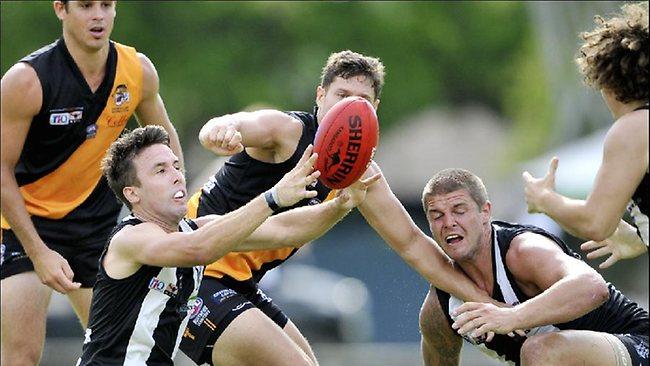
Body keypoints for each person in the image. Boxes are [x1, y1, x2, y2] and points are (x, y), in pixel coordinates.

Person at [180, 50, 494, 366]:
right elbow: (236, 123)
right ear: (320, 97)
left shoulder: (361, 175)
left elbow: (413, 245)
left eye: (362, 101)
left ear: (375, 109)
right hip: (189, 271)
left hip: (235, 283)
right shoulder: (286, 132)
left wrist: (490, 304)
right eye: (341, 96)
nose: (349, 108)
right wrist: (219, 130)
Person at [76, 125, 377, 365]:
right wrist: (272, 198)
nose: (177, 177)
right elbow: (197, 250)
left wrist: (340, 205)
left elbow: (285, 229)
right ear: (132, 194)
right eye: (160, 170)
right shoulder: (131, 237)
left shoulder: (194, 229)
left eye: (176, 166)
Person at [0, 1, 185, 364]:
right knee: (21, 355)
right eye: (85, 5)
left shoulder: (137, 70)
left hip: (97, 229)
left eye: (106, 4)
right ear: (61, 9)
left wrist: (171, 209)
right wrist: (38, 252)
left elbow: (165, 143)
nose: (98, 15)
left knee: (123, 355)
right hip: (25, 226)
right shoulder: (26, 80)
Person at [418, 168, 648, 366]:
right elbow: (406, 241)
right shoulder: (440, 310)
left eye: (459, 211)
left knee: (538, 351)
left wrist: (511, 317)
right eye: (437, 216)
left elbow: (593, 286)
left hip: (639, 345)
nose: (448, 223)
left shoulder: (523, 250)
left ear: (485, 212)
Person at [523, 2, 648, 268]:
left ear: (609, 83)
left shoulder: (633, 129)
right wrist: (642, 237)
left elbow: (595, 223)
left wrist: (544, 199)